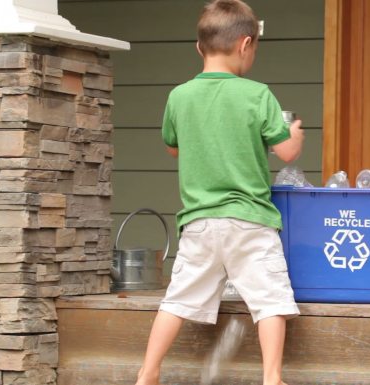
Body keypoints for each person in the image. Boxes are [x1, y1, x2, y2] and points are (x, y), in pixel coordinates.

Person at [134, 1, 304, 384]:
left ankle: (148, 372)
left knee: (177, 299)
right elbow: (286, 153)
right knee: (270, 299)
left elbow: (172, 147)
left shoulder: (179, 96)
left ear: (199, 48)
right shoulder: (258, 95)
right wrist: (293, 135)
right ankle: (272, 377)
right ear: (246, 44)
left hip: (199, 222)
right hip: (251, 221)